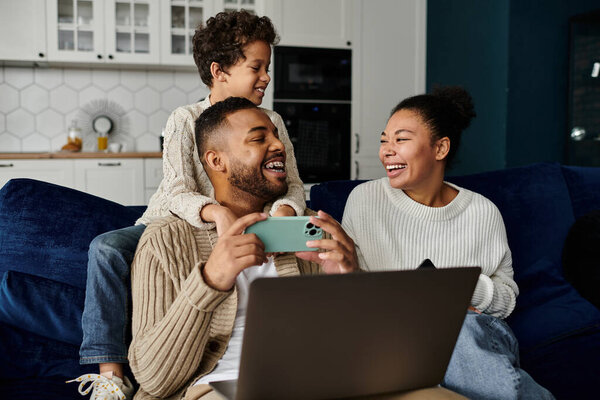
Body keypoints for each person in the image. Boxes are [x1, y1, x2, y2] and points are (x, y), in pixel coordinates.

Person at [68, 11, 304, 400]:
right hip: (174, 219)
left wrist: (284, 213)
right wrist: (217, 212)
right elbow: (176, 190)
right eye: (256, 67)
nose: (266, 77)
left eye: (268, 67)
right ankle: (109, 371)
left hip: (232, 227)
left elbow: (292, 185)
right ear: (219, 71)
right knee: (106, 248)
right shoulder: (185, 119)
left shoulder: (272, 120)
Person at [341, 87, 555, 399]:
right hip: (397, 333)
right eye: (384, 140)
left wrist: (457, 288)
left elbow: (507, 299)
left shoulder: (482, 211)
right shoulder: (364, 200)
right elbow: (354, 293)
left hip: (471, 329)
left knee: (461, 332)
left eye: (400, 139)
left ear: (440, 148)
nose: (386, 150)